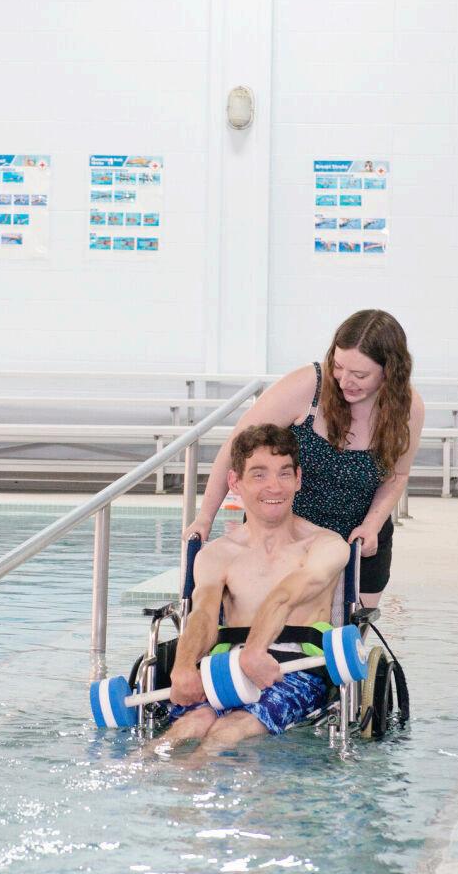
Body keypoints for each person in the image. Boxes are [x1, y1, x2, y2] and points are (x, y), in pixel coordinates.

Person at [184, 310, 424, 608]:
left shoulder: (408, 409)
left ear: (390, 371)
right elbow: (236, 447)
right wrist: (205, 517)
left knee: (348, 629)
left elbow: (397, 475)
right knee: (271, 620)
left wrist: (372, 525)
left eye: (360, 375)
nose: (345, 381)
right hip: (282, 537)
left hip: (356, 541)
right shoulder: (308, 386)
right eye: (339, 366)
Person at [159, 424, 351, 750]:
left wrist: (255, 650)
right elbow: (203, 614)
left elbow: (285, 595)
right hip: (225, 671)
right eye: (259, 474)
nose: (274, 486)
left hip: (297, 671)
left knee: (229, 730)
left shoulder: (327, 545)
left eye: (284, 473)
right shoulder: (217, 554)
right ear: (235, 482)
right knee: (192, 725)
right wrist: (183, 667)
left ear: (298, 478)